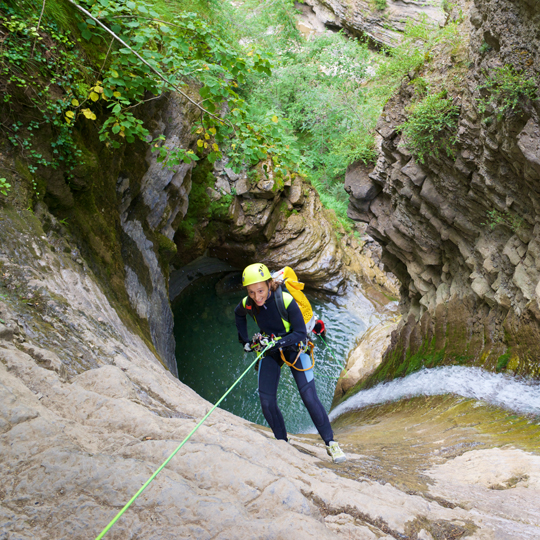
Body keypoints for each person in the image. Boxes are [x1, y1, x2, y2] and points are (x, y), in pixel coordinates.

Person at [234, 263, 346, 464]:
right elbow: (238, 314)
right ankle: (282, 443)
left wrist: (277, 342)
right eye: (251, 292)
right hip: (271, 348)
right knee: (266, 402)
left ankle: (331, 443)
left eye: (260, 290)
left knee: (309, 396)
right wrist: (245, 342)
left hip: (294, 346)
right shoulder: (248, 303)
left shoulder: (285, 301)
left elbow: (300, 333)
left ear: (269, 284)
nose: (256, 297)